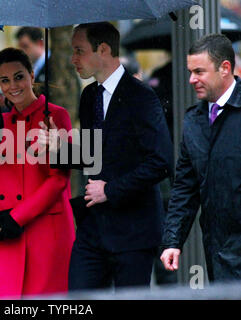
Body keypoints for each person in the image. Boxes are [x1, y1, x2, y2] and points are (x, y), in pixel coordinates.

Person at [40, 22, 173, 290]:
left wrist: (110, 190)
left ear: (103, 50)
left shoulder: (142, 97)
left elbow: (161, 163)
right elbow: (94, 155)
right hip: (93, 231)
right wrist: (59, 149)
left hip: (134, 233)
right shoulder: (89, 96)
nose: (72, 59)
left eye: (79, 50)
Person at [0, 47, 75, 299]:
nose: (12, 86)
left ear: (31, 74)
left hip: (43, 233)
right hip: (3, 235)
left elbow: (59, 181)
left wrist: (18, 217)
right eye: (5, 80)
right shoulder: (3, 121)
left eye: (18, 76)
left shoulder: (56, 115)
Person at [161, 34, 241, 282]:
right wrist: (173, 241)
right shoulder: (194, 120)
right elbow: (185, 187)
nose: (191, 79)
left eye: (199, 71)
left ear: (225, 68)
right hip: (217, 249)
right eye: (190, 71)